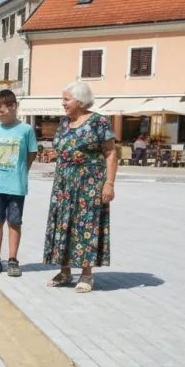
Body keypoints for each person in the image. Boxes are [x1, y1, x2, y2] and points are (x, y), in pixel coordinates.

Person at [42, 81, 118, 293]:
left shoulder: (98, 122)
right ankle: (65, 271)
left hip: (90, 183)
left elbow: (110, 153)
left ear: (80, 101)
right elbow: (69, 146)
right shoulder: (65, 123)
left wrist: (109, 184)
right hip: (64, 183)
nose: (63, 103)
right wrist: (59, 153)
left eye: (67, 99)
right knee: (63, 223)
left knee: (87, 226)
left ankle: (86, 275)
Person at [0, 89, 37, 277]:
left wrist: (23, 170)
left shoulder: (26, 130)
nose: (0, 111)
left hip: (16, 185)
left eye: (2, 108)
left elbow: (32, 153)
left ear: (13, 106)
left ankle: (12, 260)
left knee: (14, 222)